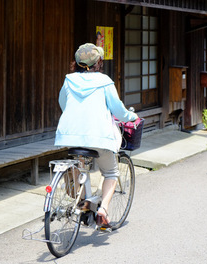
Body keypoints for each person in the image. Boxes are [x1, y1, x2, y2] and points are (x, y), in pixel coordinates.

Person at [55, 43, 138, 227]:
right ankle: (103, 210)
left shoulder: (69, 80)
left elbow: (64, 104)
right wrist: (132, 116)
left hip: (70, 135)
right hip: (98, 137)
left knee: (79, 165)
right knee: (111, 172)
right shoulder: (104, 81)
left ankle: (84, 203)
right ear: (98, 62)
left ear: (76, 62)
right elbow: (119, 111)